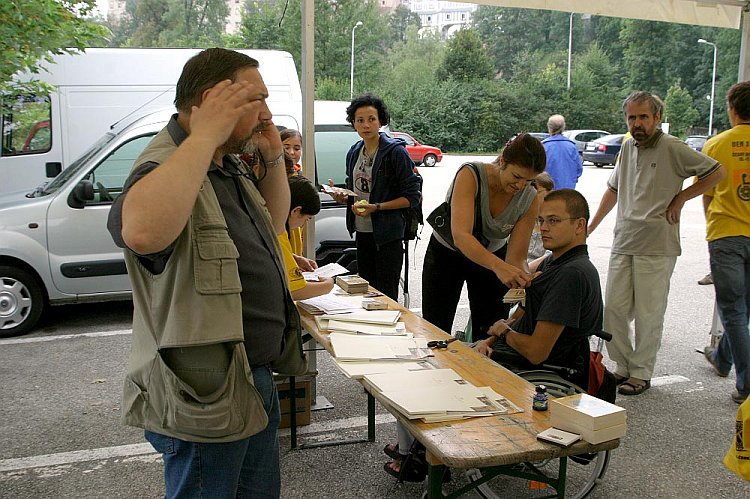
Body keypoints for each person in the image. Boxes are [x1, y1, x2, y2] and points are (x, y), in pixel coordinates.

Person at [107, 48, 306, 498]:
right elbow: (139, 231)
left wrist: (274, 156)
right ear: (212, 98)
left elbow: (273, 225)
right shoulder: (166, 163)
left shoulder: (225, 162)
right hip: (208, 392)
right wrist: (204, 134)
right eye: (256, 100)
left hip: (250, 376)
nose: (267, 113)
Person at [588, 91, 726, 396]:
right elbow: (613, 189)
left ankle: (640, 372)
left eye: (643, 117)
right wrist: (589, 227)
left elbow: (717, 172)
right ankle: (622, 366)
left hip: (657, 244)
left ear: (657, 118)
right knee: (614, 311)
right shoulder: (626, 146)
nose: (637, 123)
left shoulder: (672, 147)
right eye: (632, 117)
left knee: (650, 313)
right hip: (624, 240)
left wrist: (682, 196)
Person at [474, 189, 603, 391]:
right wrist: (490, 339)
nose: (543, 228)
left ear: (579, 225)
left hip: (543, 374)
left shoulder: (572, 274)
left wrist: (504, 332)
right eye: (541, 220)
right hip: (513, 357)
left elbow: (536, 352)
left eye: (553, 221)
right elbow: (524, 313)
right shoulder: (553, 261)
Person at [422, 133, 546, 341]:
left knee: (490, 328)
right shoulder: (471, 174)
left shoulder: (530, 197)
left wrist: (524, 276)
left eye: (529, 180)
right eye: (517, 177)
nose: (521, 186)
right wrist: (499, 267)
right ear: (503, 161)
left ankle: (480, 371)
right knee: (435, 327)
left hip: (493, 256)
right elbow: (461, 236)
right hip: (448, 253)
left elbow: (516, 257)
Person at [327, 94, 421, 300]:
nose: (366, 125)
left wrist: (376, 207)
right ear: (353, 123)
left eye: (371, 119)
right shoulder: (354, 152)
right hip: (362, 232)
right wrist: (342, 196)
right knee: (366, 292)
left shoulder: (395, 152)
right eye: (360, 120)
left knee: (385, 296)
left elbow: (412, 197)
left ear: (381, 121)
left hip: (388, 235)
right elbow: (355, 191)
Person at [701, 81, 750, 404]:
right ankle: (722, 358)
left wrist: (714, 229)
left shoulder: (717, 145)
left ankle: (746, 384)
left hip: (726, 234)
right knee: (743, 310)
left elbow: (706, 196)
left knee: (732, 309)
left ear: (732, 109)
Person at [281, 174, 335, 300]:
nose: (304, 224)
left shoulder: (268, 225)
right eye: (306, 219)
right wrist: (328, 285)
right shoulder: (278, 233)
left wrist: (293, 258)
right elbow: (296, 291)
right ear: (296, 211)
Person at [541, 114, 583, 189]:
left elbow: (537, 170)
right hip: (567, 190)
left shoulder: (543, 147)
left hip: (547, 190)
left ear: (549, 128)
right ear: (563, 128)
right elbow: (579, 169)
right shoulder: (572, 147)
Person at [527, 171, 555, 265]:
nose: (531, 196)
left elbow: (552, 254)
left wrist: (529, 268)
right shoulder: (520, 216)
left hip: (543, 269)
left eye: (537, 192)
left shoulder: (557, 220)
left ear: (549, 193)